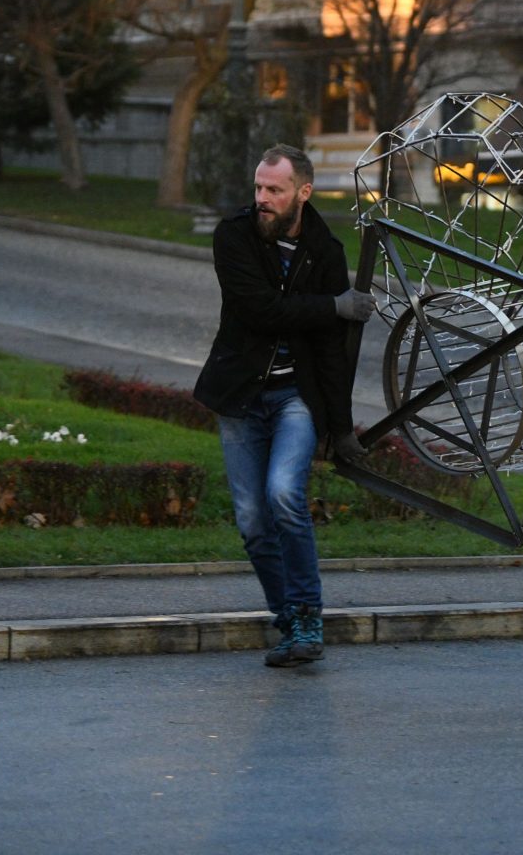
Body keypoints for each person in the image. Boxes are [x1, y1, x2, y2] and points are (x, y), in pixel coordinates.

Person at [193, 144, 376, 669]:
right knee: (253, 520)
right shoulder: (234, 235)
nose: (263, 198)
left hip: (296, 397)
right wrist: (333, 306)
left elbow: (330, 352)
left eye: (274, 189)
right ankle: (289, 618)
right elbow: (259, 310)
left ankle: (308, 616)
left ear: (303, 192)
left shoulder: (325, 250)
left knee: (283, 495)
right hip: (240, 396)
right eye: (259, 187)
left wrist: (340, 427)